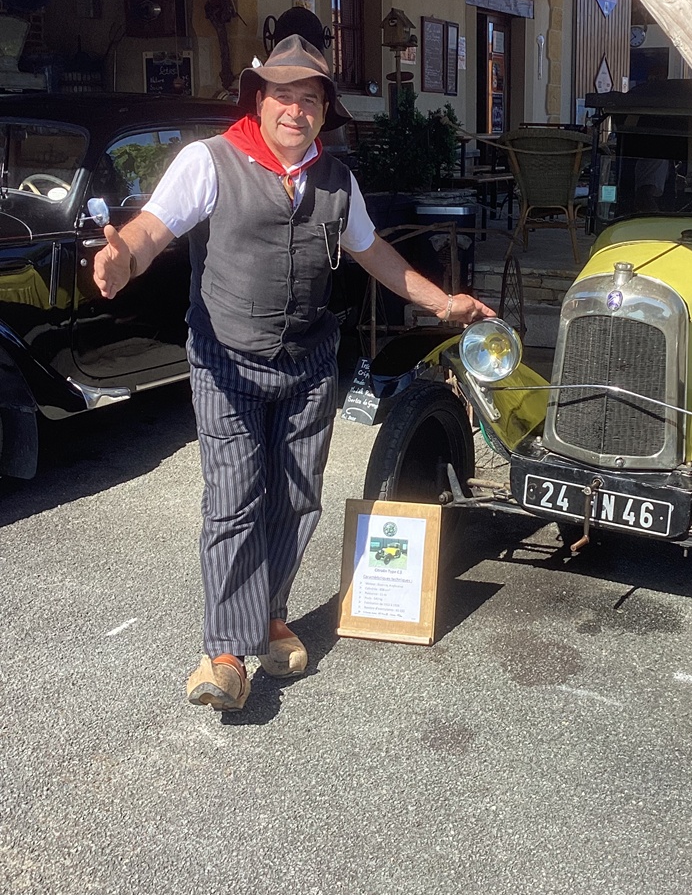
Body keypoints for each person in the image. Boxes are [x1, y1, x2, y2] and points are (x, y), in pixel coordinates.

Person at [93, 35, 494, 712]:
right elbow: (151, 229)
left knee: (295, 498)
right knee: (234, 498)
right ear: (261, 100)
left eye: (310, 99)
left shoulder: (336, 179)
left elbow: (374, 256)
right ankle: (224, 652)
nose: (296, 109)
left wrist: (442, 302)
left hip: (308, 363)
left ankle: (270, 616)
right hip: (226, 360)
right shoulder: (209, 161)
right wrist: (121, 258)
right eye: (284, 95)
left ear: (321, 112)